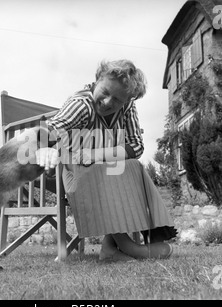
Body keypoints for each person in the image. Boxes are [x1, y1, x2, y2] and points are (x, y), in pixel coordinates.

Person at [35, 59, 177, 262]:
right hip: (74, 175)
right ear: (97, 79)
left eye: (119, 99)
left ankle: (110, 248)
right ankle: (127, 247)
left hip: (105, 172)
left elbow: (136, 145)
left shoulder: (126, 108)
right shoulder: (81, 104)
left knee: (131, 167)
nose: (109, 102)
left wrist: (97, 154)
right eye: (106, 92)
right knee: (117, 170)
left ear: (128, 100)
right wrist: (46, 148)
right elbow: (49, 129)